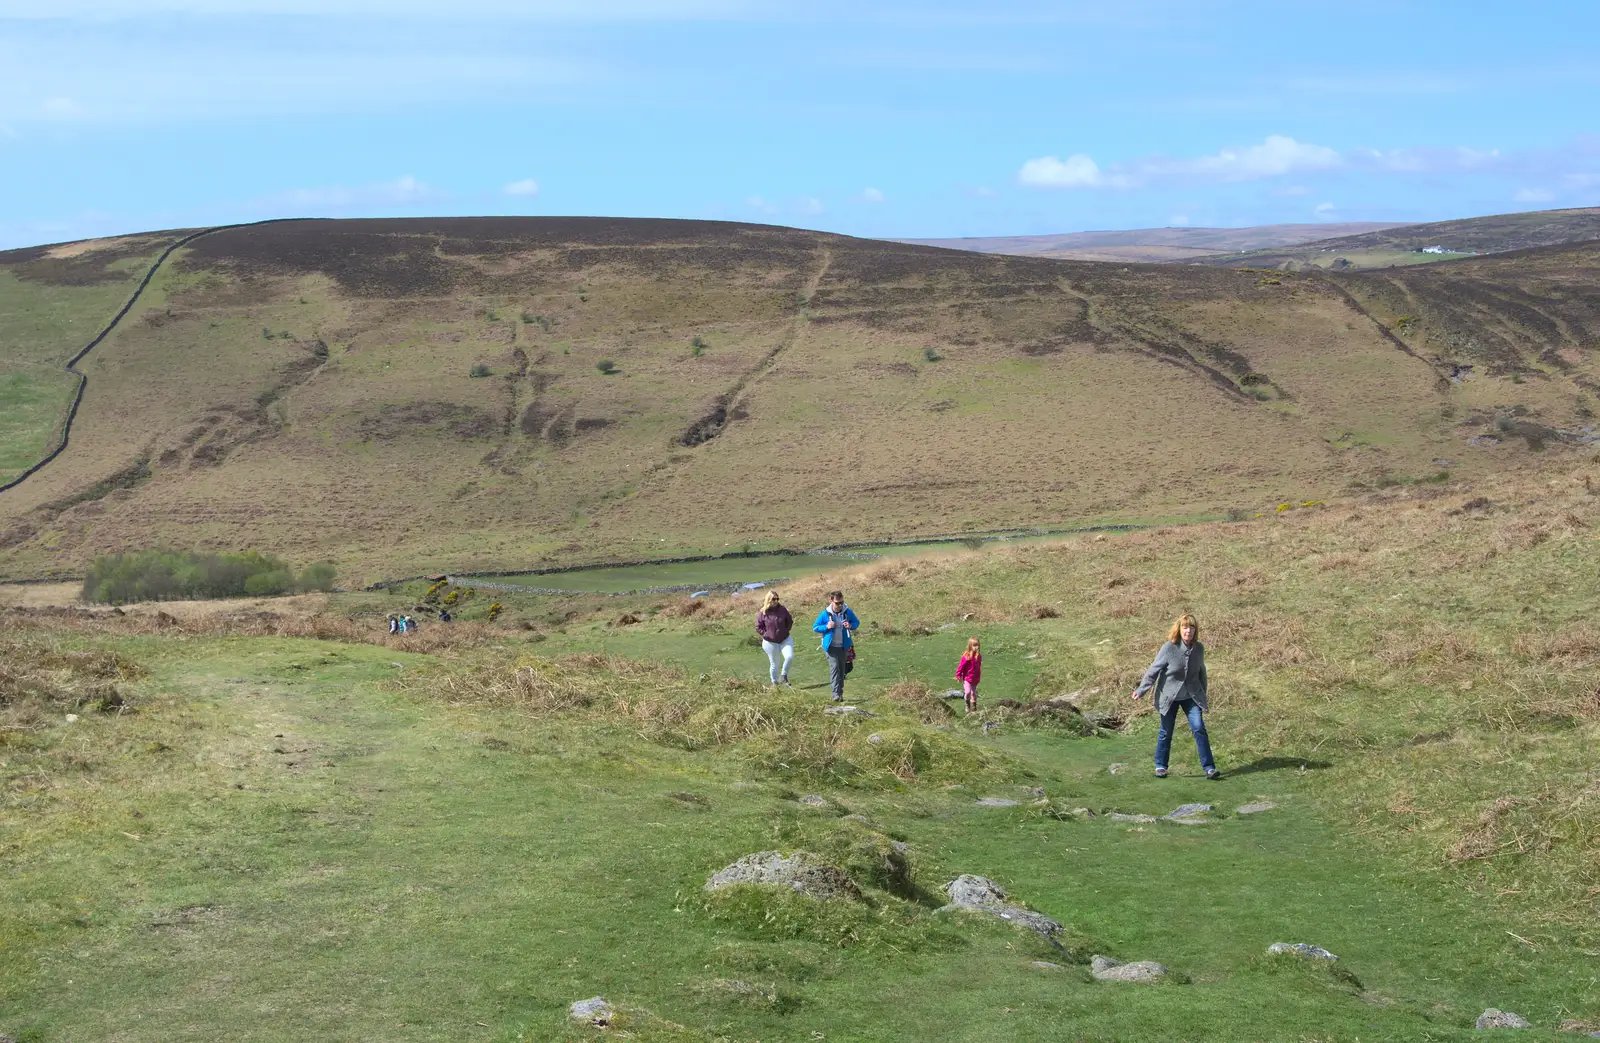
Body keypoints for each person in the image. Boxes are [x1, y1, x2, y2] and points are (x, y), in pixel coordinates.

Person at [1131, 613, 1219, 779]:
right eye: (1185, 627)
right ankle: (1161, 766)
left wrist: (1202, 695)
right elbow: (1154, 670)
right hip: (1168, 697)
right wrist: (1142, 690)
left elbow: (1202, 672)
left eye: (1192, 627)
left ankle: (1209, 768)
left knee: (1199, 728)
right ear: (1179, 629)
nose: (1188, 631)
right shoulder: (1169, 648)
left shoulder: (1199, 648)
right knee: (1166, 731)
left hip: (1191, 696)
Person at [812, 590, 860, 703]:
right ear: (831, 601)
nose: (840, 605)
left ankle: (840, 693)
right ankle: (836, 695)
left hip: (844, 646)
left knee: (842, 670)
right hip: (831, 647)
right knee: (835, 669)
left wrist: (850, 625)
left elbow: (856, 622)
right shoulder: (825, 614)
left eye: (841, 602)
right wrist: (827, 627)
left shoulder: (847, 612)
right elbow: (815, 627)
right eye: (837, 603)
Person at [755, 590, 795, 686]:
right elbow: (758, 627)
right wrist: (766, 634)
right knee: (774, 664)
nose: (776, 601)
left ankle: (783, 676)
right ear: (769, 600)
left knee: (790, 656)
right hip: (770, 642)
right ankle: (774, 682)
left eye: (777, 598)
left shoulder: (782, 609)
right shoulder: (762, 612)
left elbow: (789, 621)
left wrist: (786, 630)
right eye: (774, 599)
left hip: (785, 639)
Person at [955, 636, 982, 712]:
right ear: (970, 646)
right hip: (967, 678)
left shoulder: (979, 656)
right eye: (974, 646)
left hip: (975, 678)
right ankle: (967, 704)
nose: (976, 647)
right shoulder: (966, 656)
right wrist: (958, 675)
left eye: (977, 646)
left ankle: (974, 708)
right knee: (967, 692)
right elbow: (961, 666)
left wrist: (978, 676)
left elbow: (978, 667)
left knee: (974, 693)